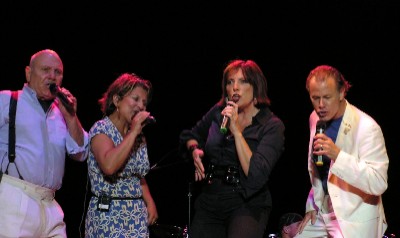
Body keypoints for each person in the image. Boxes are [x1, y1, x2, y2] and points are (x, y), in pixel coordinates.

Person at [179, 59, 285, 238]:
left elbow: (255, 176)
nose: (235, 87)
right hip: (211, 197)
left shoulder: (271, 125)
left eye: (242, 81)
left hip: (245, 201)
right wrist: (195, 150)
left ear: (255, 87)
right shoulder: (218, 112)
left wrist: (236, 131)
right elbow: (189, 135)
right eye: (230, 82)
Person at [0, 49, 89, 237]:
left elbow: (80, 153)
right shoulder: (7, 99)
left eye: (58, 72)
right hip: (16, 196)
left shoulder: (62, 112)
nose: (52, 76)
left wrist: (71, 117)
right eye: (46, 70)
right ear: (28, 73)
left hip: (50, 204)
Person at [295, 65, 389, 238]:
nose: (321, 105)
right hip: (325, 211)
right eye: (315, 98)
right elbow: (319, 172)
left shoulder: (367, 127)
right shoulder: (314, 118)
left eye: (327, 97)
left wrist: (338, 156)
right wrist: (312, 205)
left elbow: (379, 182)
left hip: (354, 217)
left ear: (342, 92)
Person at [85, 72, 158, 238]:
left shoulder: (138, 135)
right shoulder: (101, 129)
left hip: (136, 216)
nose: (140, 106)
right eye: (135, 99)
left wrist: (149, 201)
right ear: (117, 100)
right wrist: (133, 132)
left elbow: (137, 174)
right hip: (109, 214)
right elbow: (109, 166)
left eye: (144, 103)